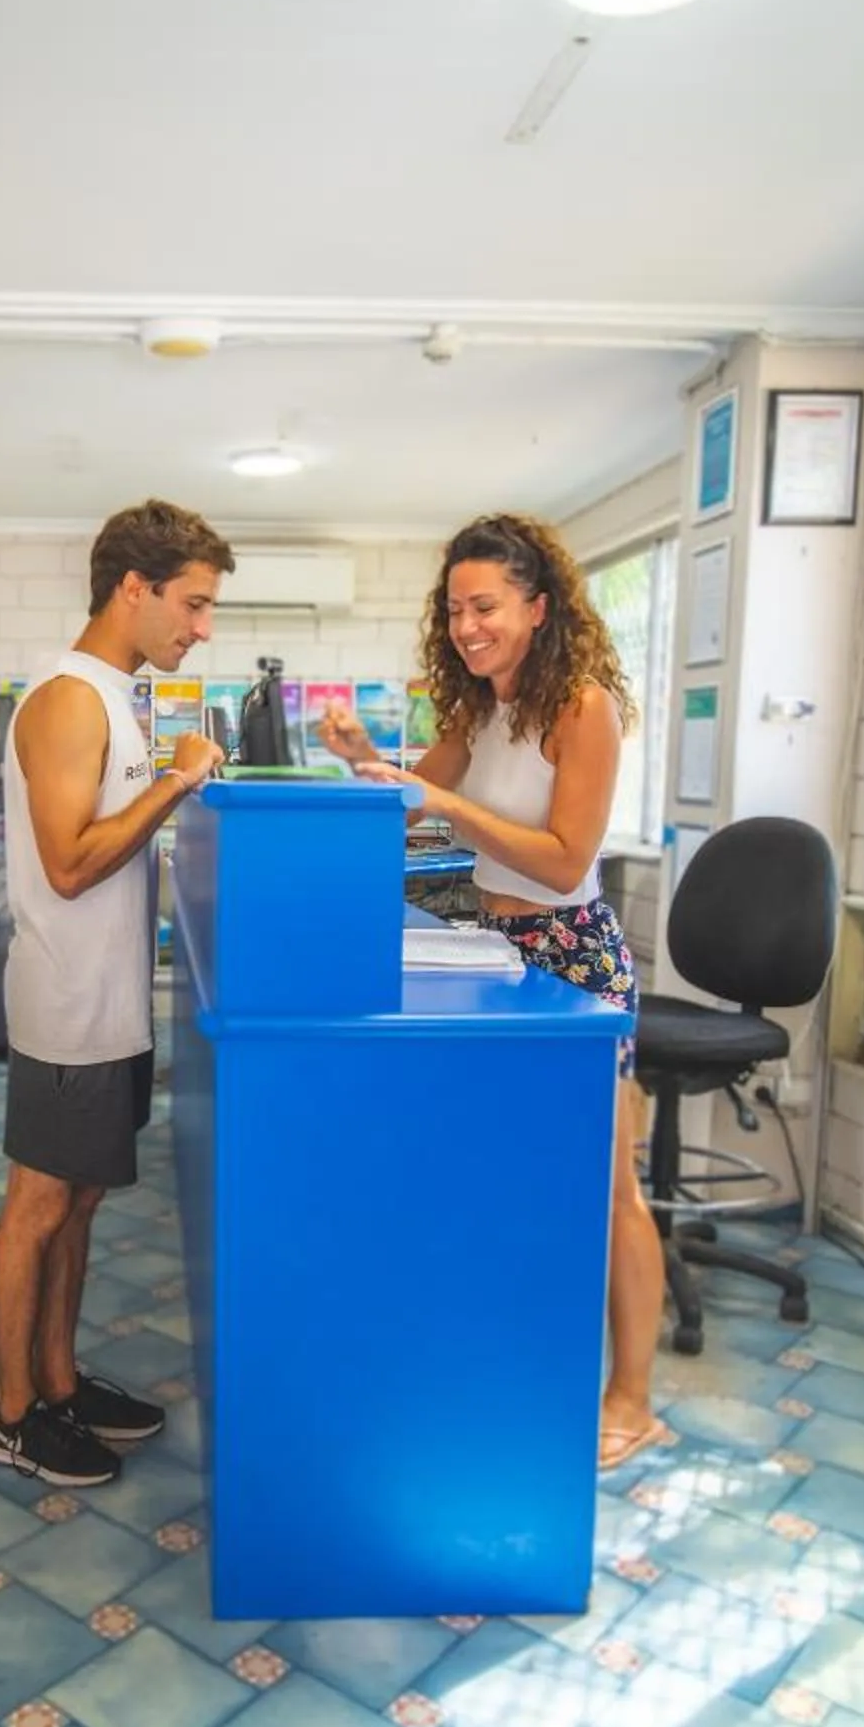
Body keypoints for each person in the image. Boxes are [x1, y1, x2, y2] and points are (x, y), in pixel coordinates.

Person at [319, 513, 672, 1469]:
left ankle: (633, 1397)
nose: (468, 626)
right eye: (455, 609)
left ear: (538, 606)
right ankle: (514, 1364)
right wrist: (360, 757)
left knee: (608, 1191)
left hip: (574, 957)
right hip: (497, 954)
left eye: (486, 607)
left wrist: (445, 805)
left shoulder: (581, 707)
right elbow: (413, 794)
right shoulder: (480, 708)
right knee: (509, 1173)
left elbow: (563, 864)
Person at [0, 499, 231, 1488]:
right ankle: (10, 1414)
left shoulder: (111, 694)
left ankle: (58, 1381)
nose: (202, 627)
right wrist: (173, 783)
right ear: (134, 586)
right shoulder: (69, 698)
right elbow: (72, 863)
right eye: (194, 603)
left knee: (79, 1203)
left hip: (108, 1001)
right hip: (65, 1008)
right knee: (38, 1205)